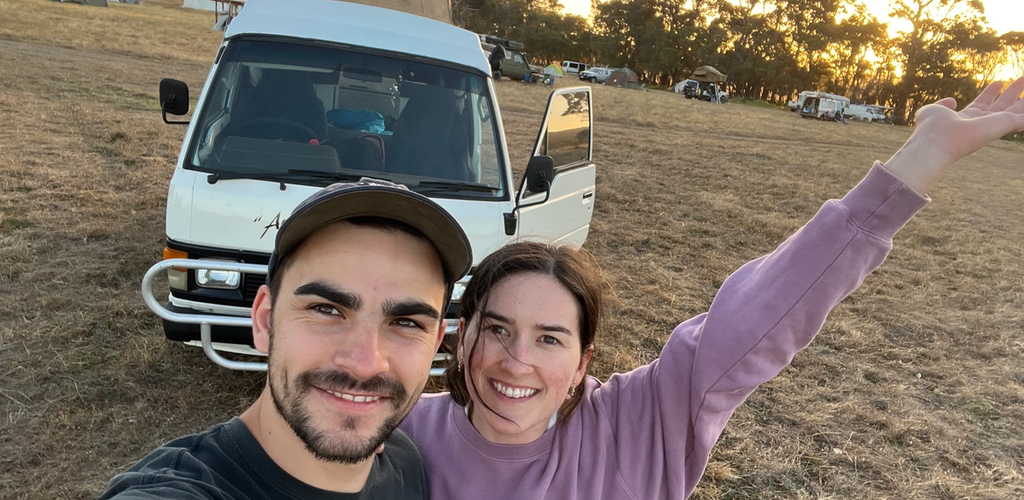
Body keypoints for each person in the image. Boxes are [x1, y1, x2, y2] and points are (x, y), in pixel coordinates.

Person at [399, 78, 1024, 499]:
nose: (517, 362)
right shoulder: (399, 436)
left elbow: (759, 318)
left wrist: (925, 154)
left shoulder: (638, 427)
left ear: (583, 363)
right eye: (498, 329)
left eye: (550, 338)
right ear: (460, 335)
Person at [99, 179, 473, 499]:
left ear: (435, 343)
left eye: (406, 322)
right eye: (326, 309)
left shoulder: (405, 464)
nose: (365, 362)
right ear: (265, 320)